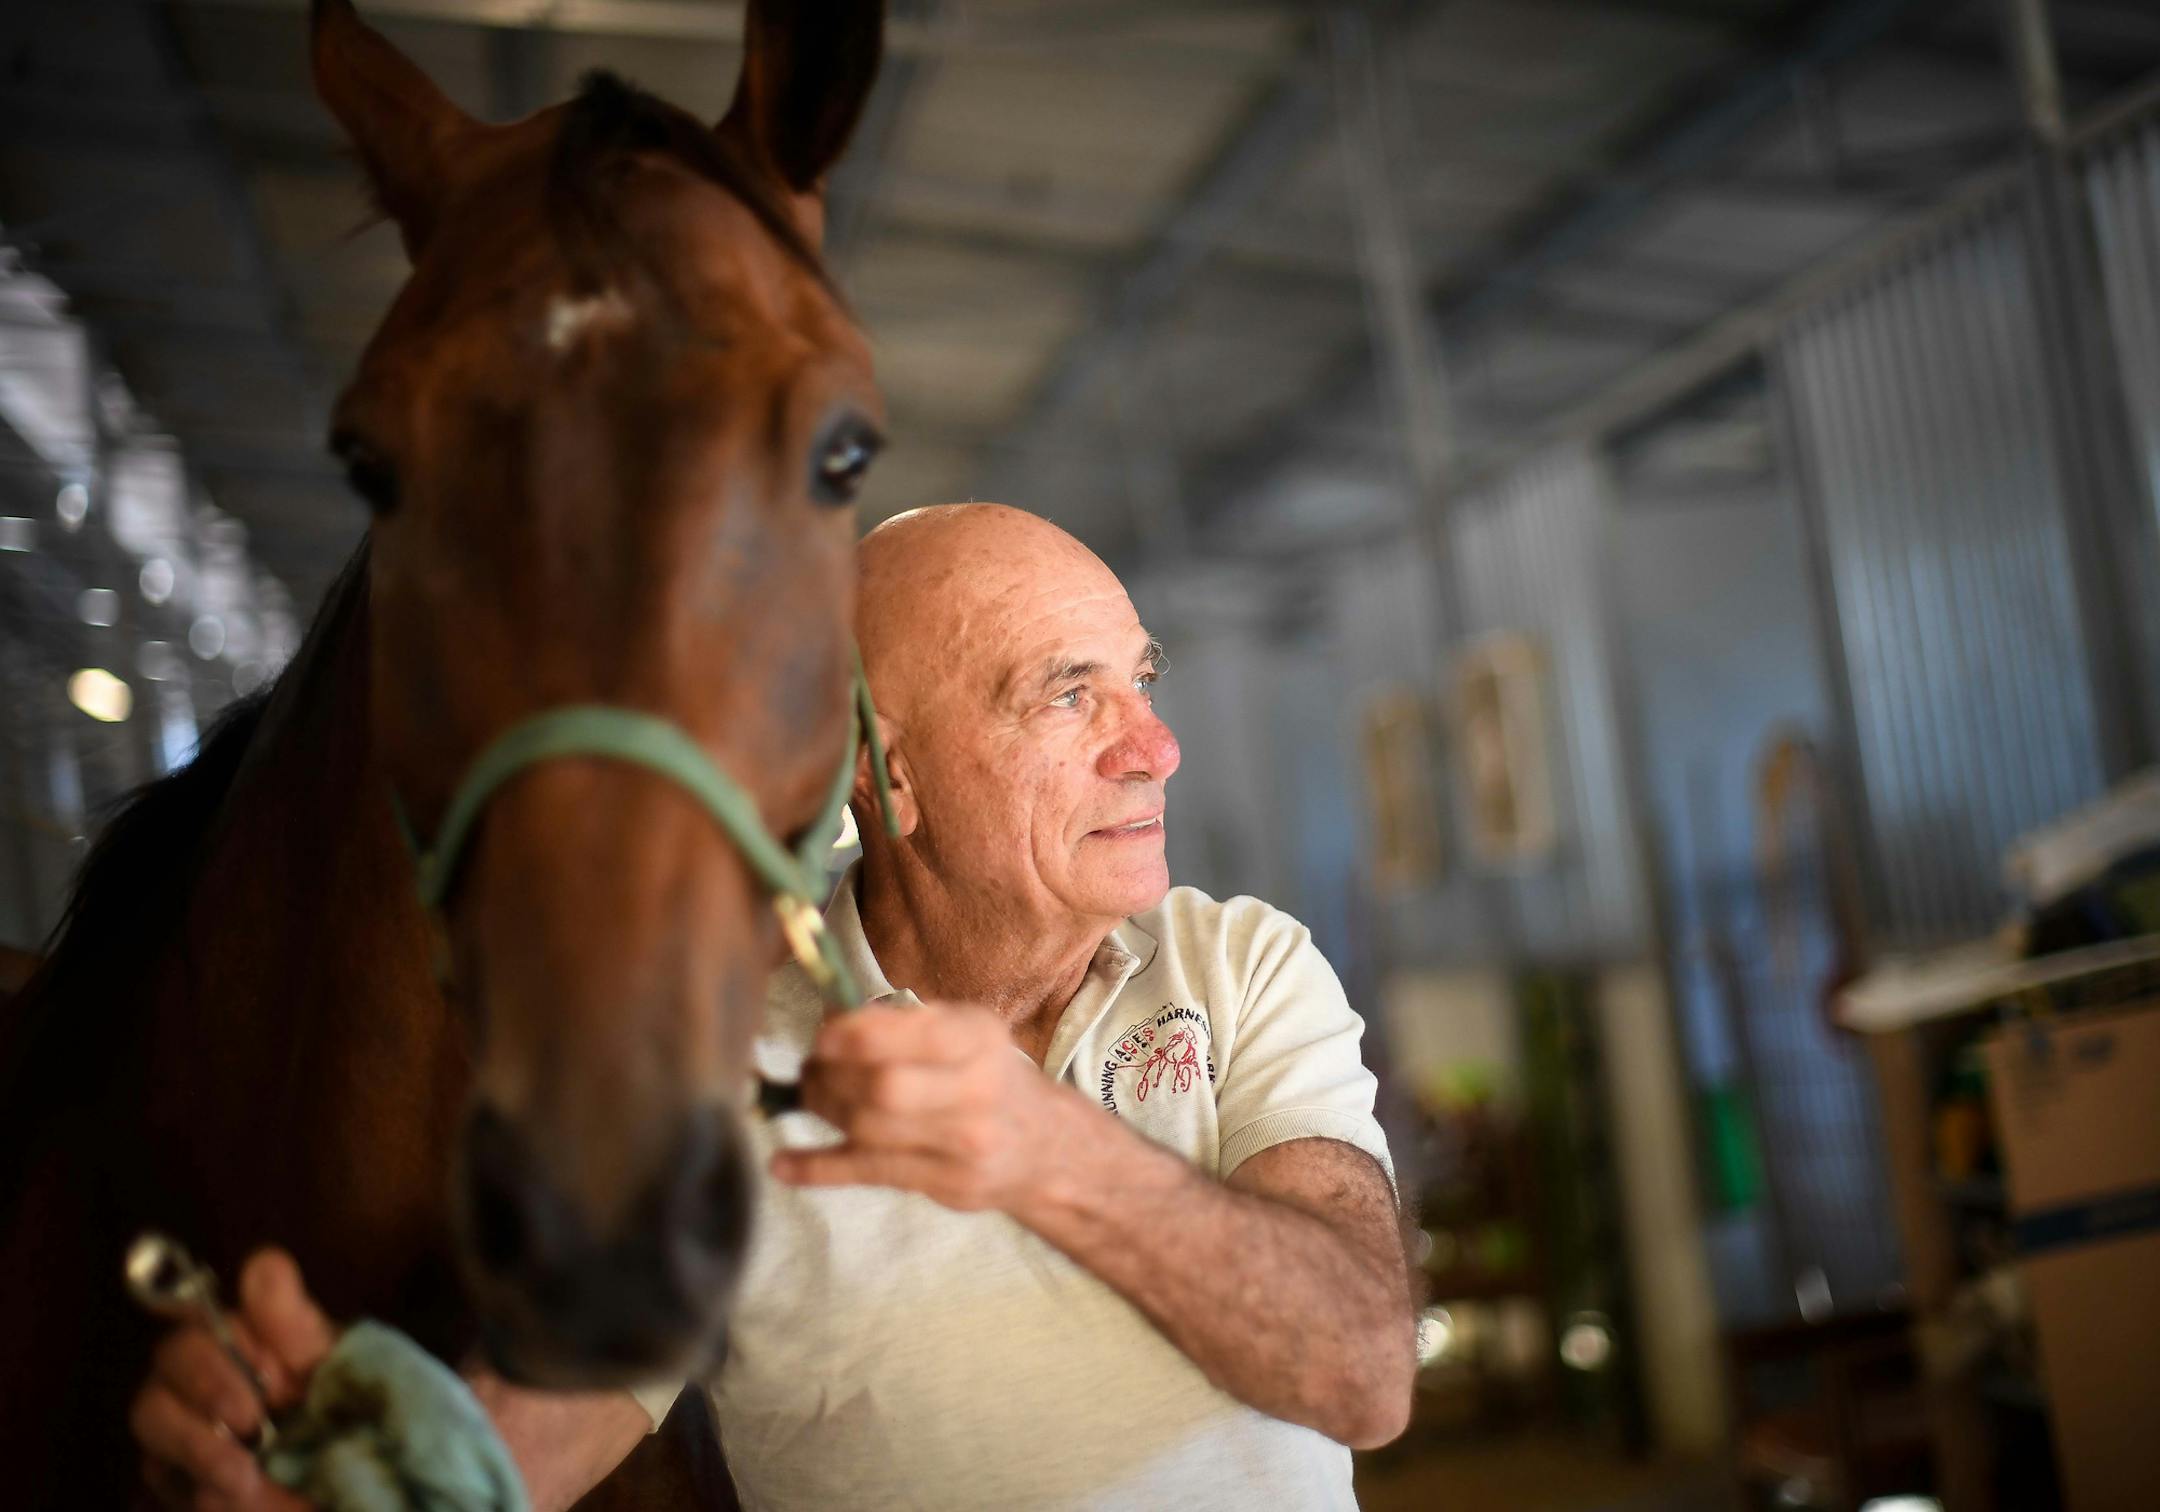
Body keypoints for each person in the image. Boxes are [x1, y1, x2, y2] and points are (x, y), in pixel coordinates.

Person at [132, 503, 1417, 1511]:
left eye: (1144, 679)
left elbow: (1361, 1369)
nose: (1155, 747)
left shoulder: (1243, 965)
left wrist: (1052, 1158)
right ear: (880, 775)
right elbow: (530, 1444)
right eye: (1068, 694)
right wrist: (335, 1471)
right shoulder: (712, 1049)